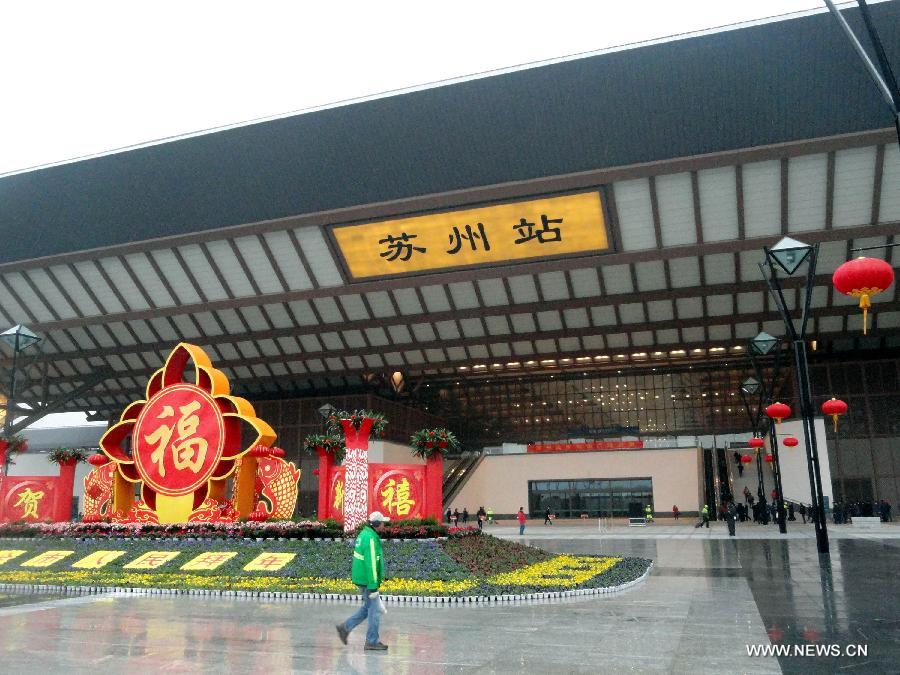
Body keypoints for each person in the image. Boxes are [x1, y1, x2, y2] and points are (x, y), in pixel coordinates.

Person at [336, 511, 389, 652]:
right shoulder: (370, 538)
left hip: (363, 578)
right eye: (382, 522)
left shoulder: (365, 534)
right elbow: (371, 563)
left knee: (368, 608)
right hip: (367, 580)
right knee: (375, 610)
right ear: (377, 524)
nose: (384, 524)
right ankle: (372, 641)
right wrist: (373, 585)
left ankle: (345, 628)